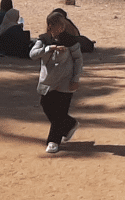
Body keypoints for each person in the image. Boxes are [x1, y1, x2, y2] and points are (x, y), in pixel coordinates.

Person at [30, 12, 83, 154]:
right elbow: (33, 55)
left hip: (66, 81)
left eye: (63, 26)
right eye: (59, 26)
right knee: (46, 106)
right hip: (48, 81)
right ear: (50, 26)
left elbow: (78, 60)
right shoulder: (43, 39)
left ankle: (53, 141)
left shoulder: (70, 41)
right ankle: (70, 124)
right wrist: (49, 48)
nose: (61, 28)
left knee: (60, 111)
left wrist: (75, 79)